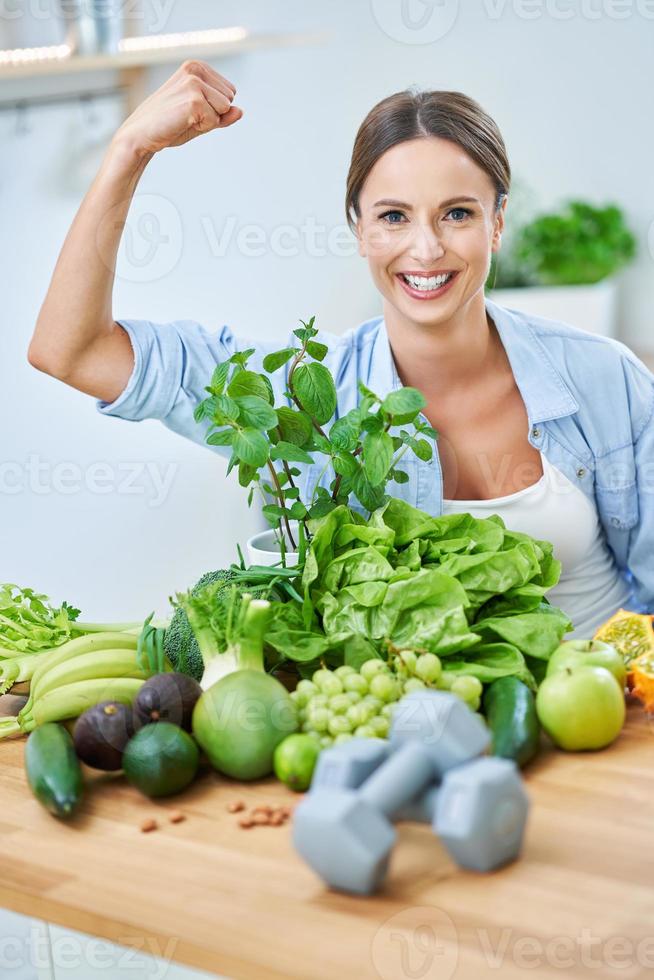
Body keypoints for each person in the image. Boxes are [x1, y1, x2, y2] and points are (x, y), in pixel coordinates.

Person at [28, 60, 653, 638]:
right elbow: (71, 350)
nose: (427, 249)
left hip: (603, 726)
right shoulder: (299, 403)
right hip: (404, 741)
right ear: (358, 227)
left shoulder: (603, 379)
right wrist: (129, 150)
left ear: (497, 221)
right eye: (393, 217)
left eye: (457, 213)